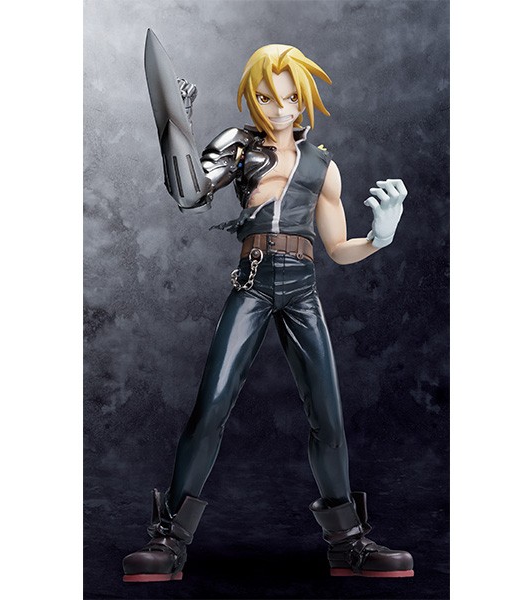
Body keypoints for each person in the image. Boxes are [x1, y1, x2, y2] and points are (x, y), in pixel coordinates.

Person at [123, 40, 413, 582]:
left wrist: (379, 237)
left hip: (303, 289)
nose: (279, 109)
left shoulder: (323, 165)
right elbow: (189, 195)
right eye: (265, 97)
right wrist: (178, 132)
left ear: (304, 99)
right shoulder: (240, 146)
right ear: (251, 98)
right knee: (210, 407)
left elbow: (338, 249)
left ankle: (348, 542)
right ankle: (168, 540)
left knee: (327, 416)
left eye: (289, 98)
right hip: (253, 284)